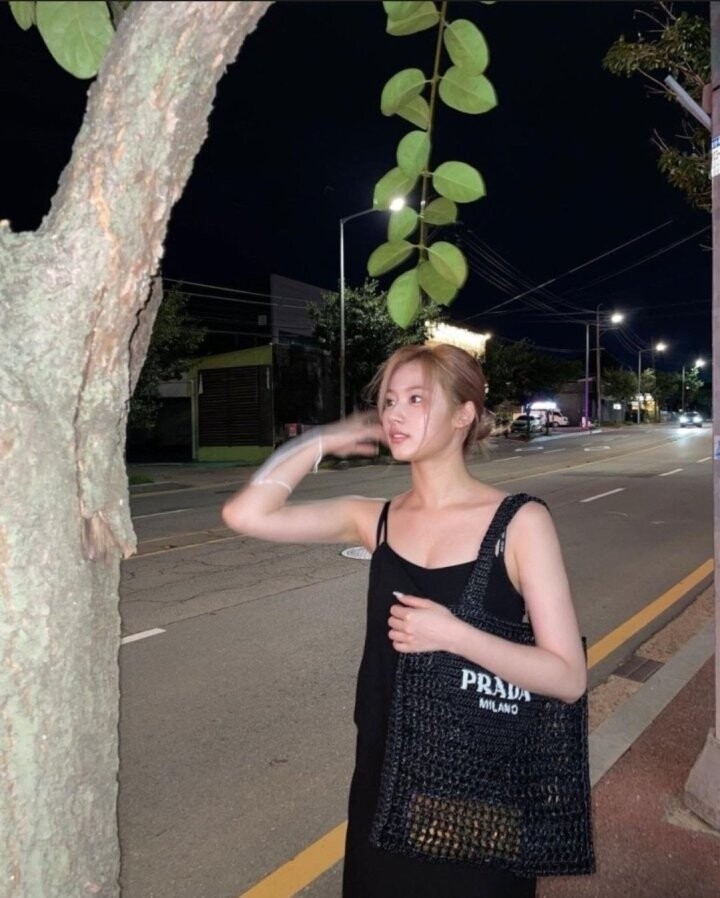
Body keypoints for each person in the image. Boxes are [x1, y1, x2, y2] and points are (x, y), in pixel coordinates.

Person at [221, 343, 587, 898]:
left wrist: (455, 635)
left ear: (464, 414)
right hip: (386, 777)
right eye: (389, 401)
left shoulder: (521, 523)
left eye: (416, 399)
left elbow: (567, 676)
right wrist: (319, 441)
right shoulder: (375, 519)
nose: (394, 413)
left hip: (481, 783)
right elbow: (244, 514)